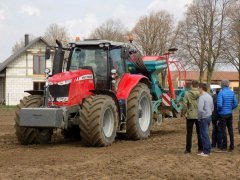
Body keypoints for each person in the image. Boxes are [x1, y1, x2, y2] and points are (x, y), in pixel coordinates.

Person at [217, 80, 238, 152]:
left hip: (222, 114)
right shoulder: (232, 93)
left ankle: (224, 147)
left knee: (223, 130)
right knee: (230, 130)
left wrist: (219, 110)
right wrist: (230, 108)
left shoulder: (221, 93)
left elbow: (219, 104)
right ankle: (232, 146)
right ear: (228, 85)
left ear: (222, 85)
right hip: (229, 113)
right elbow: (235, 103)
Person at [182, 80, 202, 154]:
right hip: (199, 115)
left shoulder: (187, 94)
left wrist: (184, 113)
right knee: (199, 132)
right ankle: (200, 148)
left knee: (189, 133)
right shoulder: (201, 93)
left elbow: (184, 105)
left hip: (190, 115)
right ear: (197, 86)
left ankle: (188, 149)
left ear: (191, 85)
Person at [197, 83, 214, 157]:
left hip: (203, 117)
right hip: (209, 117)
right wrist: (209, 113)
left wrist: (199, 117)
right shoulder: (209, 96)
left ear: (201, 88)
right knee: (206, 134)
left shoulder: (201, 97)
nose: (198, 89)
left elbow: (200, 109)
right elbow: (212, 107)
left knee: (204, 135)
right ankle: (208, 150)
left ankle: (206, 151)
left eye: (198, 88)